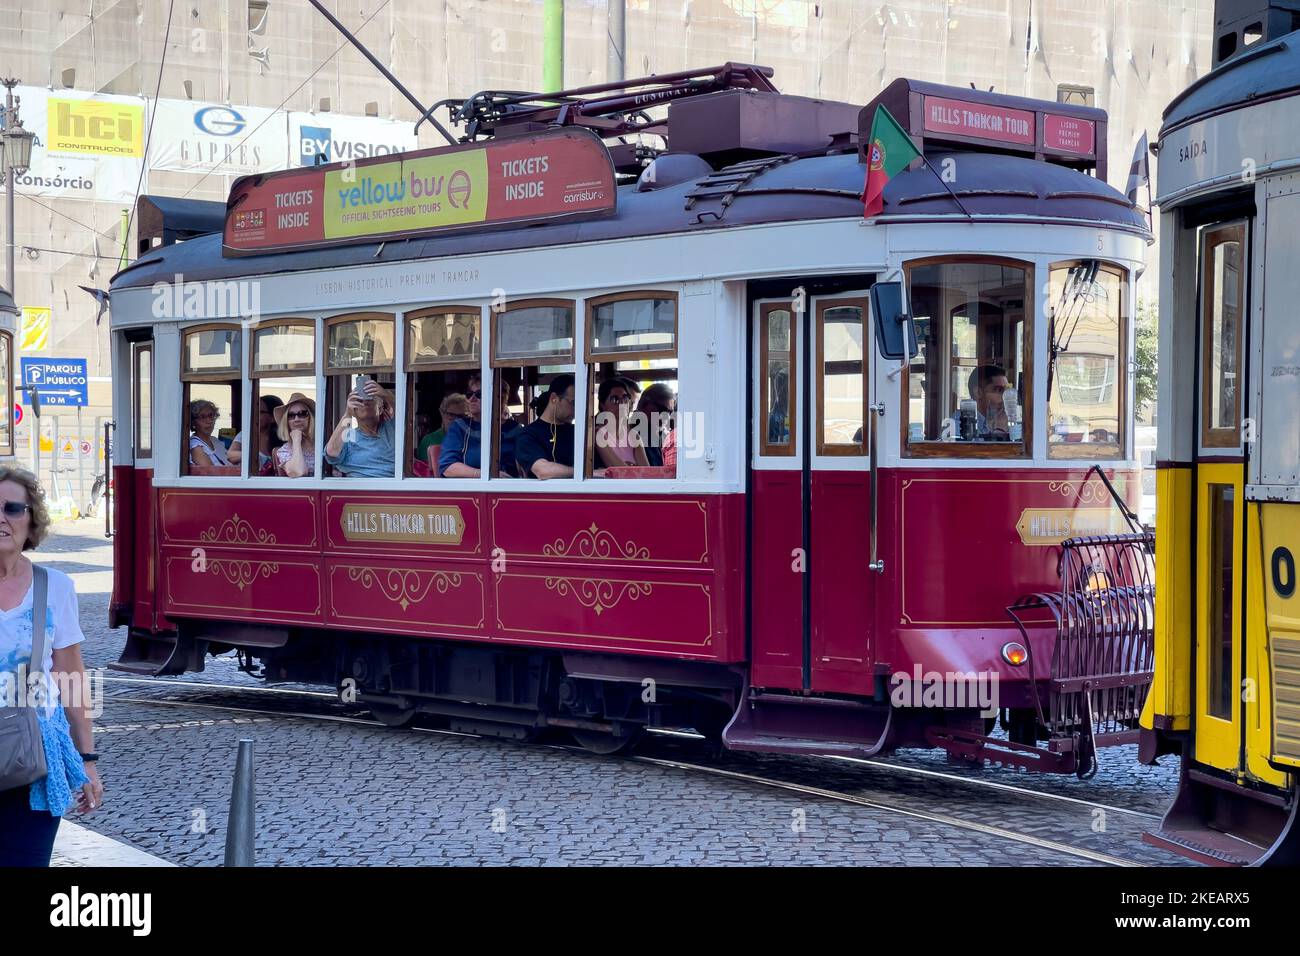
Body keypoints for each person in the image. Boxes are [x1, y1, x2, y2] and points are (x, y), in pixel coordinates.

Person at [0, 467, 100, 867]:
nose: (2, 518)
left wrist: (88, 761)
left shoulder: (55, 587)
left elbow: (73, 681)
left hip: (36, 760)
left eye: (13, 508)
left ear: (31, 520)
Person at [439, 376, 522, 478]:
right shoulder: (459, 428)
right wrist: (484, 475)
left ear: (498, 398)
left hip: (510, 489)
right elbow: (447, 468)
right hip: (471, 489)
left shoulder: (515, 430)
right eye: (469, 394)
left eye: (479, 394)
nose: (472, 399)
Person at [324, 379, 396, 478]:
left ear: (380, 409)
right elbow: (332, 454)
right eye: (359, 400)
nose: (365, 403)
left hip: (393, 488)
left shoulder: (391, 427)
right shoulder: (349, 435)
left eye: (370, 398)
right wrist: (347, 414)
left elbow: (406, 412)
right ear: (354, 410)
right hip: (358, 490)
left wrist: (385, 395)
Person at [515, 375, 576, 479]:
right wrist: (582, 473)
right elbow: (543, 471)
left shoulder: (578, 432)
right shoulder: (527, 435)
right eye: (573, 403)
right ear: (554, 398)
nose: (576, 409)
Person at [595, 377, 649, 468]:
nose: (622, 403)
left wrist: (630, 467)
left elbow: (647, 473)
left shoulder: (633, 435)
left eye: (625, 398)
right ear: (602, 405)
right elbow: (620, 472)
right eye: (615, 399)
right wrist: (634, 467)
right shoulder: (599, 434)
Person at [231, 395, 285, 474]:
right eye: (254, 410)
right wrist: (255, 457)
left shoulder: (285, 436)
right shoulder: (246, 433)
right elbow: (230, 455)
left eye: (261, 412)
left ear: (273, 417)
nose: (255, 414)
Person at [274, 393, 316, 478]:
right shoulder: (284, 451)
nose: (296, 419)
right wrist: (296, 441)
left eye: (302, 414)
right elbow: (299, 472)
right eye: (291, 415)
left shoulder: (322, 444)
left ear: (311, 417)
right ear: (286, 422)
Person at [419, 393, 467, 466]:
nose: (456, 420)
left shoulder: (471, 439)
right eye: (451, 415)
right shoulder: (429, 441)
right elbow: (424, 472)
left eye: (461, 416)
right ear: (442, 413)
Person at [967, 364, 1011, 440]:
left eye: (1007, 390)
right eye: (999, 390)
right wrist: (999, 431)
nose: (1005, 397)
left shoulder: (996, 421)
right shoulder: (961, 425)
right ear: (978, 393)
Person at [636, 383, 676, 468]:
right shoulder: (630, 434)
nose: (666, 416)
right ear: (644, 405)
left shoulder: (664, 437)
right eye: (661, 409)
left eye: (669, 412)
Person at [188, 399, 235, 469]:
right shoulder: (195, 446)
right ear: (193, 422)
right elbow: (211, 473)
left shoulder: (215, 441)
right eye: (202, 417)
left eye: (211, 415)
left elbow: (229, 460)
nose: (209, 421)